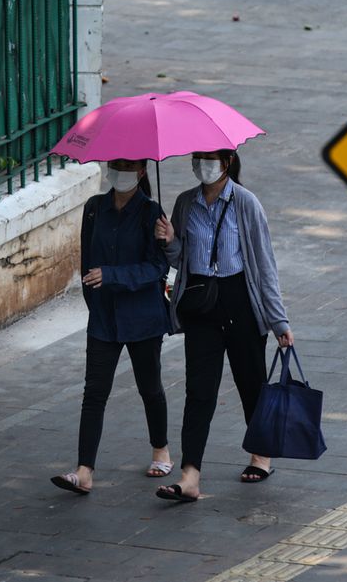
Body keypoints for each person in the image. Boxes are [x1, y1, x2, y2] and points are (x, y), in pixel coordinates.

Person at [153, 149, 293, 502]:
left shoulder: (246, 203)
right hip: (201, 303)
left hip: (240, 301)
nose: (203, 164)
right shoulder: (186, 202)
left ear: (227, 162)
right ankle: (190, 476)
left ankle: (261, 455)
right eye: (197, 157)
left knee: (251, 383)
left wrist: (278, 320)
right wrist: (169, 241)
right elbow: (180, 259)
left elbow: (264, 265)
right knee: (199, 391)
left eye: (210, 158)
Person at [51, 159, 173, 495]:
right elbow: (86, 261)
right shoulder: (94, 208)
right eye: (115, 165)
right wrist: (96, 299)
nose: (120, 172)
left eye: (128, 166)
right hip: (104, 318)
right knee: (94, 393)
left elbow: (157, 267)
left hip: (143, 317)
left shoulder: (152, 213)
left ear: (142, 171)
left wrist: (114, 276)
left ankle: (161, 448)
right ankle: (84, 470)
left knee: (149, 385)